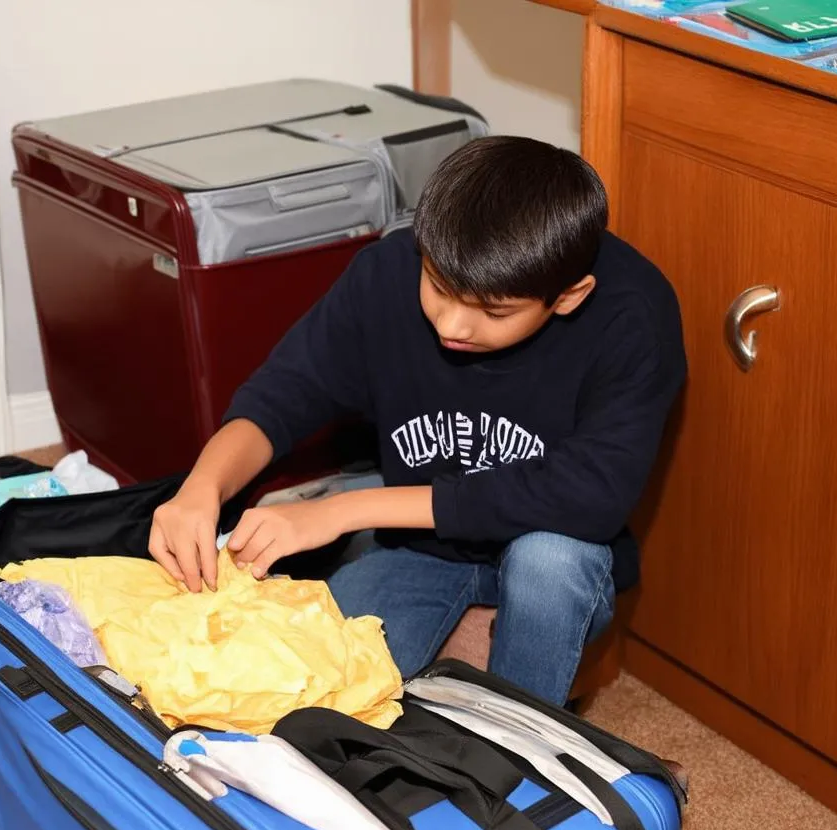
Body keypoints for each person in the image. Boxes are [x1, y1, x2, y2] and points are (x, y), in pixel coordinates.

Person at [150, 136, 686, 705]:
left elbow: (589, 497)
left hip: (553, 558)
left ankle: (528, 749)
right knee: (321, 685)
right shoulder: (386, 271)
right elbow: (283, 393)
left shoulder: (633, 314)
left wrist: (339, 512)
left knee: (546, 565)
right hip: (422, 546)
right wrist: (202, 487)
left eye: (494, 310)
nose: (452, 323)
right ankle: (471, 669)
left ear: (569, 297)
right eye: (438, 286)